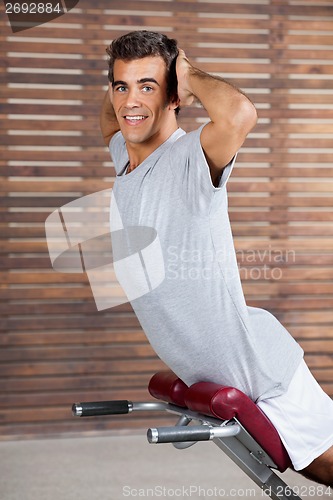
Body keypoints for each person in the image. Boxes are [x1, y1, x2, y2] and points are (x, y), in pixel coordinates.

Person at [100, 30, 333, 486]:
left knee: (322, 466)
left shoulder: (190, 155)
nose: (131, 101)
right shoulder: (124, 158)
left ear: (174, 97)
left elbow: (241, 113)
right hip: (219, 362)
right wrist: (128, 85)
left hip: (259, 368)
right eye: (122, 86)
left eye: (148, 86)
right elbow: (112, 117)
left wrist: (184, 69)